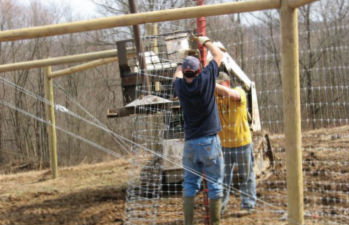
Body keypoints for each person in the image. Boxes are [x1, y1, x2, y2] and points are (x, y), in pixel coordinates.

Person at [173, 36, 224, 225]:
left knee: (189, 185)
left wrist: (180, 65)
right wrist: (206, 41)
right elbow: (218, 55)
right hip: (209, 142)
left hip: (191, 144)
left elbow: (177, 75)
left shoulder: (179, 87)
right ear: (198, 70)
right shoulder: (206, 78)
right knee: (215, 185)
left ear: (185, 72)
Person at [215, 72, 257, 213]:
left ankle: (248, 205)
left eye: (219, 85)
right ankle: (220, 208)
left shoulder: (239, 92)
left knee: (246, 176)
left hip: (242, 143)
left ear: (226, 84)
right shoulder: (217, 98)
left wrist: (211, 84)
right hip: (225, 145)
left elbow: (233, 95)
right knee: (223, 178)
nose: (216, 90)